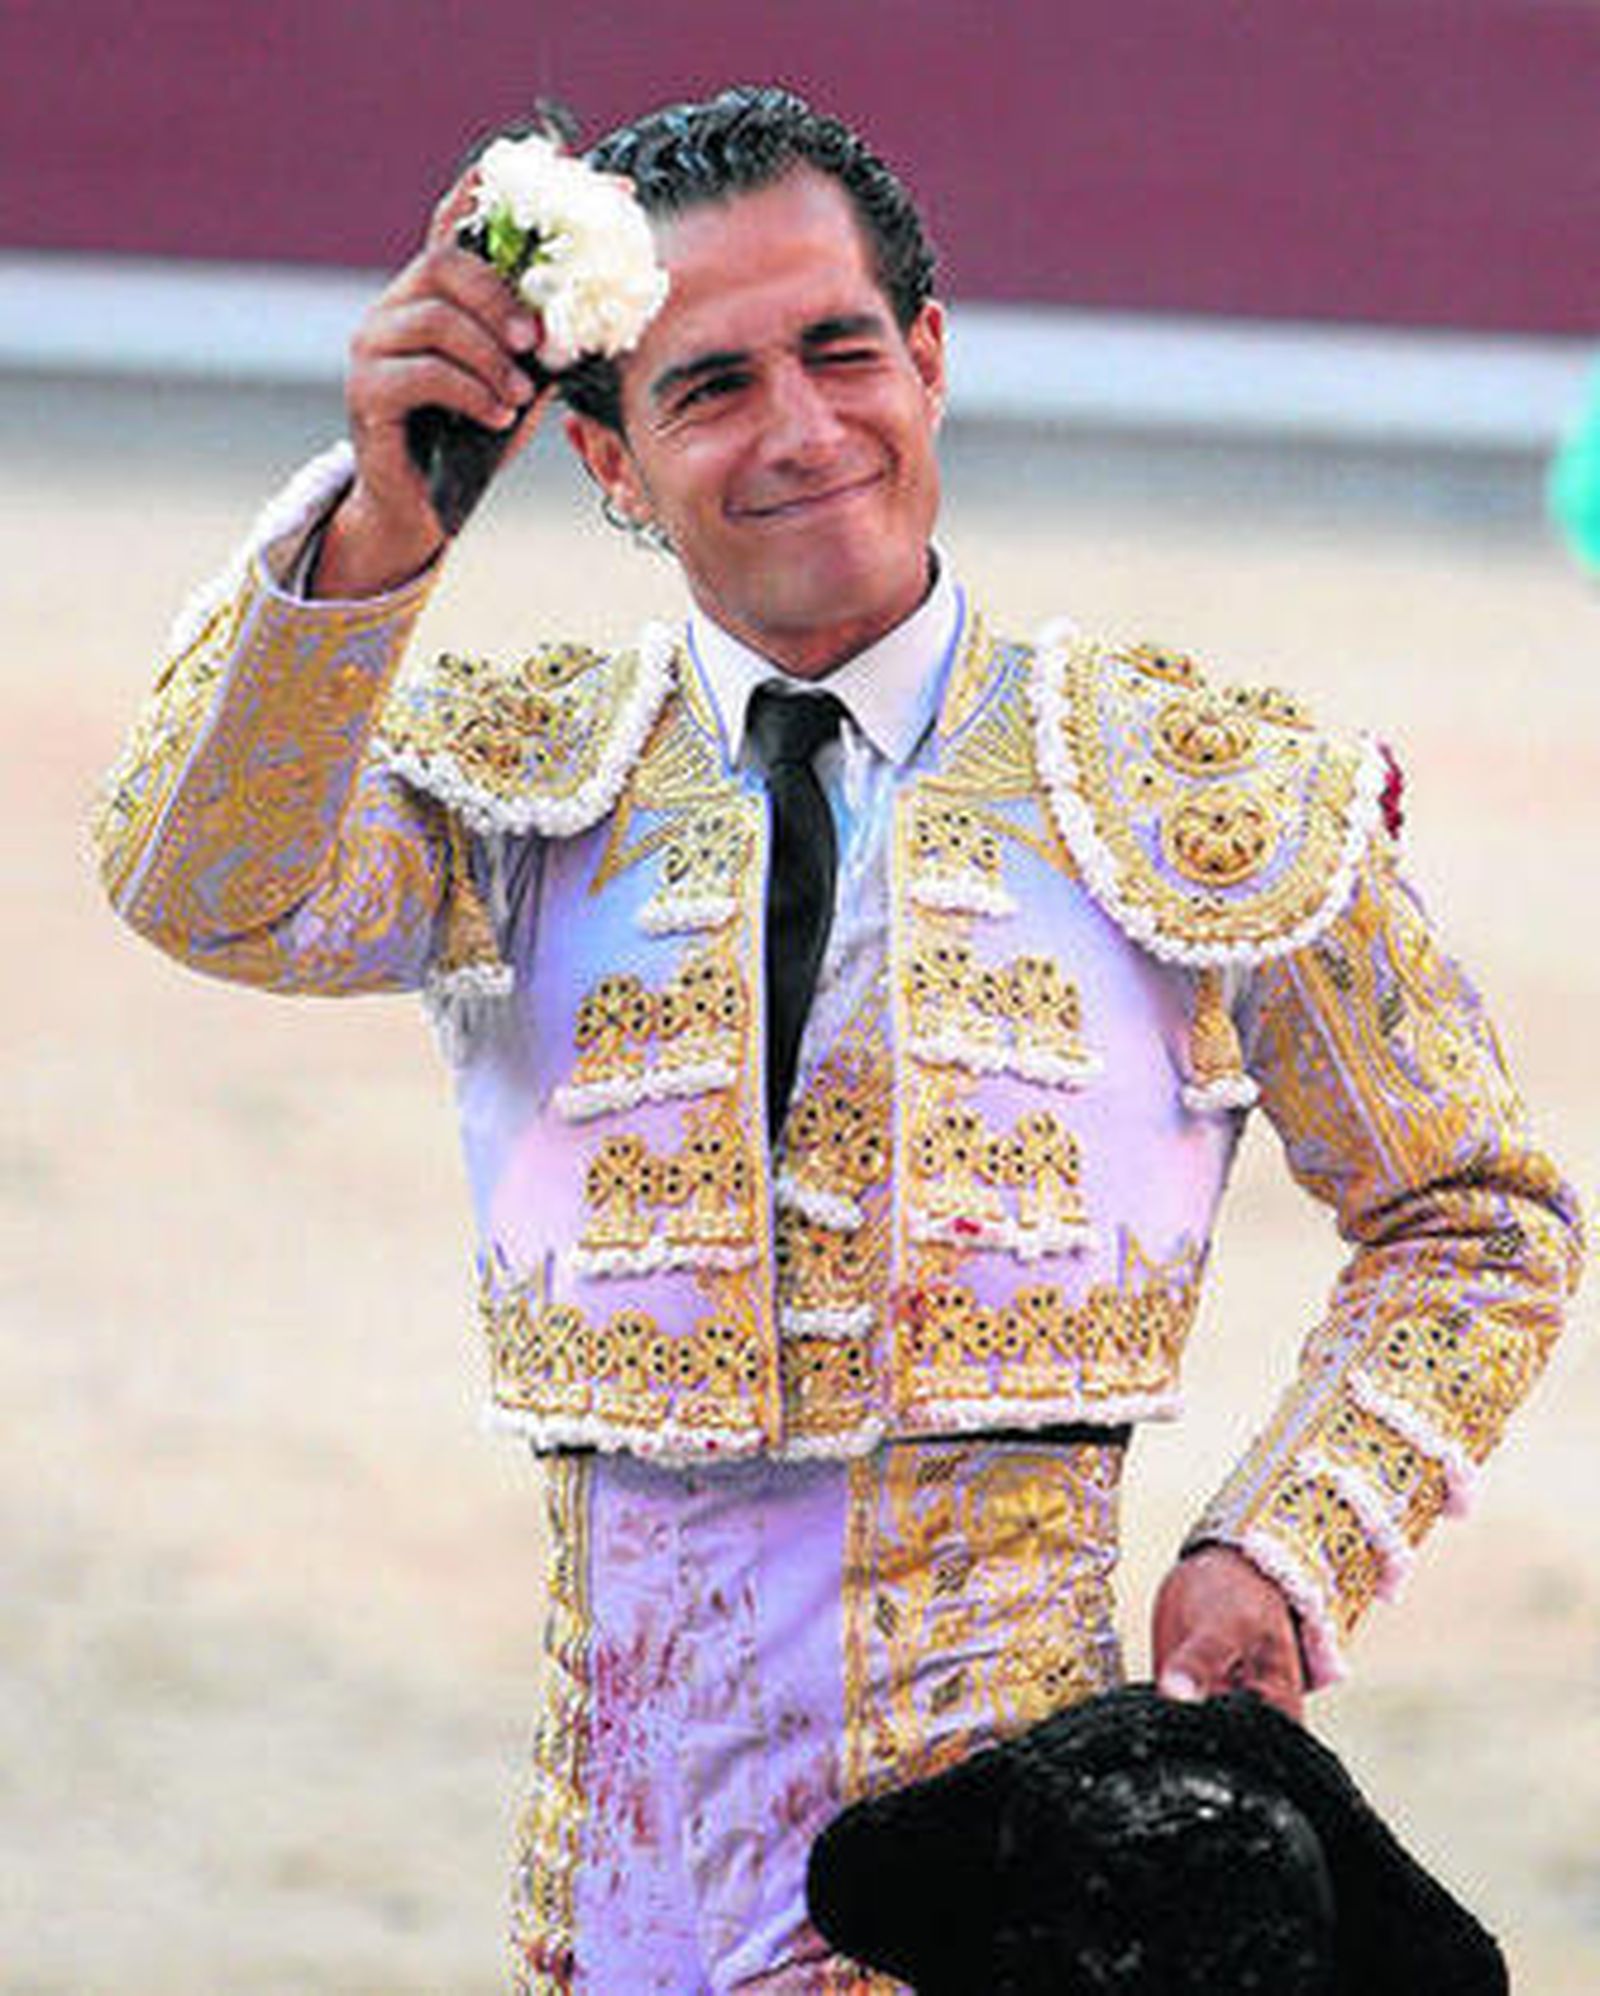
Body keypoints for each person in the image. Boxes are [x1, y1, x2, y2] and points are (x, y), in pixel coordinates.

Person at [94, 85, 1581, 1995]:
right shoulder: (511, 786)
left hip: (1028, 1858)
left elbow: (1478, 1219)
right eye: (708, 386)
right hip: (623, 1885)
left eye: (841, 351)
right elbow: (198, 888)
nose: (801, 432)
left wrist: (1285, 1547)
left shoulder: (1191, 787)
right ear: (608, 463)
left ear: (932, 360)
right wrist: (382, 529)